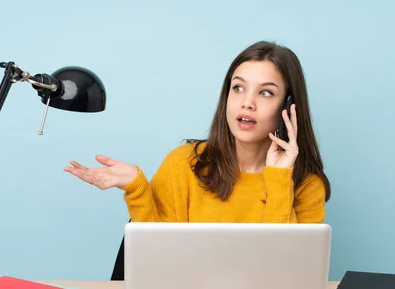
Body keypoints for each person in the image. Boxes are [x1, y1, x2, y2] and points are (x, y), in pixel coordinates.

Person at [64, 41, 331, 223]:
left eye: (265, 92)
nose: (247, 102)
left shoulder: (307, 185)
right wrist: (137, 188)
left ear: (288, 105)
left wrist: (279, 178)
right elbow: (157, 258)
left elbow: (288, 272)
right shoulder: (184, 163)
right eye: (238, 88)